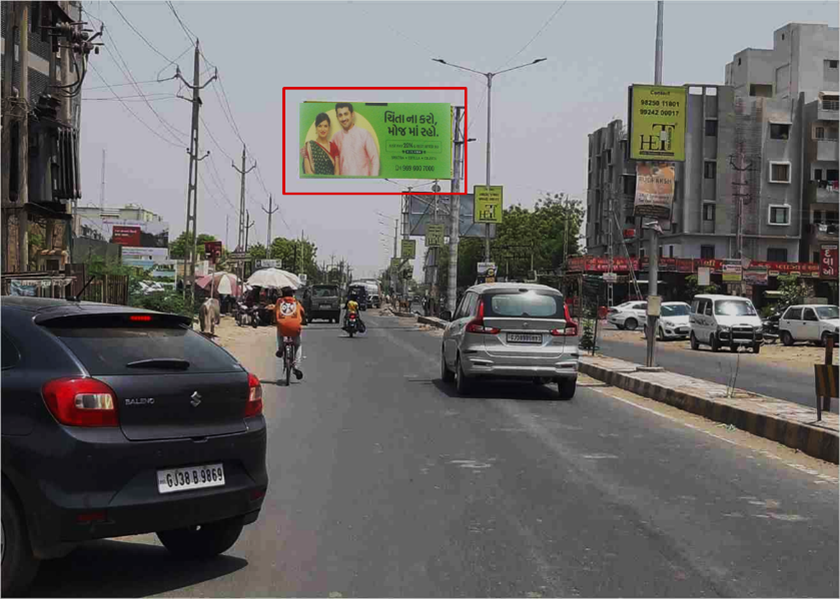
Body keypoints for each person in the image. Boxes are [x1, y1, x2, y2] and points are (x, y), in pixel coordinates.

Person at [331, 102, 380, 177]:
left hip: (363, 181)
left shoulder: (364, 134)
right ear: (337, 117)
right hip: (343, 182)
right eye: (340, 115)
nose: (343, 118)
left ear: (352, 114)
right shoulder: (335, 137)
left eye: (346, 114)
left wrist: (372, 181)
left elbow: (375, 160)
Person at [275, 286, 305, 380]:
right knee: (298, 345)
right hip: (295, 328)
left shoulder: (279, 302)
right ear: (292, 294)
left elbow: (274, 312)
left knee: (279, 331)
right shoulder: (296, 302)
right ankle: (296, 366)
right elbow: (303, 312)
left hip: (282, 327)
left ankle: (280, 349)